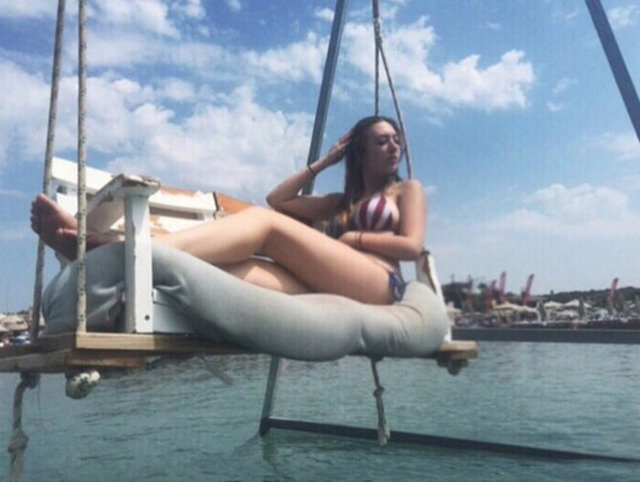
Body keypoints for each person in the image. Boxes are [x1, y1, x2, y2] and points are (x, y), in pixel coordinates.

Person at [31, 115, 426, 305]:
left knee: (266, 225)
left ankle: (113, 248)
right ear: (359, 153)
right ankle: (115, 263)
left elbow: (411, 247)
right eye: (381, 141)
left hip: (380, 283)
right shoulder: (339, 202)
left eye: (396, 139)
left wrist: (353, 237)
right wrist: (324, 162)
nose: (394, 146)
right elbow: (278, 198)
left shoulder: (407, 190)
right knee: (228, 270)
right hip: (328, 283)